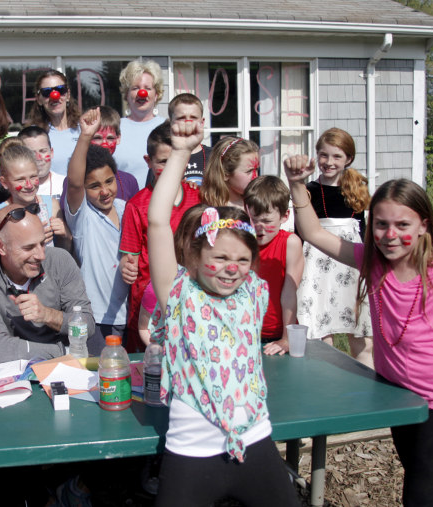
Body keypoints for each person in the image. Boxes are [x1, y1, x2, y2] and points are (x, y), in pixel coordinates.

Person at [285, 158, 433, 507]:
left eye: (402, 224)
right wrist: (298, 184)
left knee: (420, 497)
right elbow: (314, 233)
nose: (390, 235)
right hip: (396, 396)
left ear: (424, 226)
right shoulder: (371, 262)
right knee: (419, 486)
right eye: (381, 224)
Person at [147, 118, 300, 507]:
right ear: (194, 260)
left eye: (242, 259)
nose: (232, 267)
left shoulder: (253, 292)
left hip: (255, 443)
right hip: (192, 454)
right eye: (220, 257)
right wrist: (182, 153)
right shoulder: (180, 295)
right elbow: (158, 221)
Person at [0, 203, 96, 362]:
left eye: (42, 243)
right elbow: (1, 349)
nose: (41, 255)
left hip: (66, 370)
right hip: (18, 375)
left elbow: (87, 325)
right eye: (29, 248)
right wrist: (66, 352)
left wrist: (47, 315)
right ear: (0, 247)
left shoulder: (60, 260)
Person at [296, 128, 373, 367]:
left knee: (360, 332)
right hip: (316, 266)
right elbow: (301, 231)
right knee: (319, 331)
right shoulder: (308, 191)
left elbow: (363, 228)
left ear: (348, 158)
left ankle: (364, 381)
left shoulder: (358, 187)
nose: (329, 162)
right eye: (323, 155)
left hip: (351, 265)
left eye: (336, 156)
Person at [119, 121, 200, 351]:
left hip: (190, 304)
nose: (172, 166)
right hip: (147, 313)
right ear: (148, 161)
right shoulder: (136, 205)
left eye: (178, 160)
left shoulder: (199, 198)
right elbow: (129, 256)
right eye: (163, 161)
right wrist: (127, 266)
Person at [65, 107, 129, 340]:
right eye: (94, 186)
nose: (104, 191)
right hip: (98, 318)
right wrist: (85, 136)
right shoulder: (83, 216)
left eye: (109, 181)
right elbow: (73, 183)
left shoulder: (126, 208)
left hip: (133, 314)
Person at [243, 175, 304, 354]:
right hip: (244, 332)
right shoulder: (240, 241)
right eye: (253, 219)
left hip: (277, 333)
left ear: (285, 216)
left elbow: (289, 293)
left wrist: (287, 338)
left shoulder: (290, 243)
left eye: (267, 221)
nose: (259, 226)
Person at [0, 145, 69, 256]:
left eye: (33, 176)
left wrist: (65, 235)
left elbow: (64, 251)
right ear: (4, 182)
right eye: (20, 179)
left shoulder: (51, 205)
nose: (29, 185)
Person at [113, 59, 166, 188]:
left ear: (156, 94)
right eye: (135, 88)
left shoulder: (167, 128)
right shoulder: (114, 128)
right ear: (127, 94)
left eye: (148, 88)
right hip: (123, 203)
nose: (142, 93)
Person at [27, 69, 81, 176]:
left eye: (60, 90)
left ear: (68, 95)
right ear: (39, 99)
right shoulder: (33, 136)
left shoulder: (84, 129)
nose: (54, 96)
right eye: (47, 92)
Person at [199, 136, 259, 209]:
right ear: (224, 173)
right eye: (249, 171)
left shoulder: (262, 203)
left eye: (257, 170)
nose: (255, 176)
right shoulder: (204, 205)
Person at [18, 125, 66, 201]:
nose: (38, 158)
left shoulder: (65, 184)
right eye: (31, 153)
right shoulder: (15, 188)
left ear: (51, 152)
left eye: (43, 151)